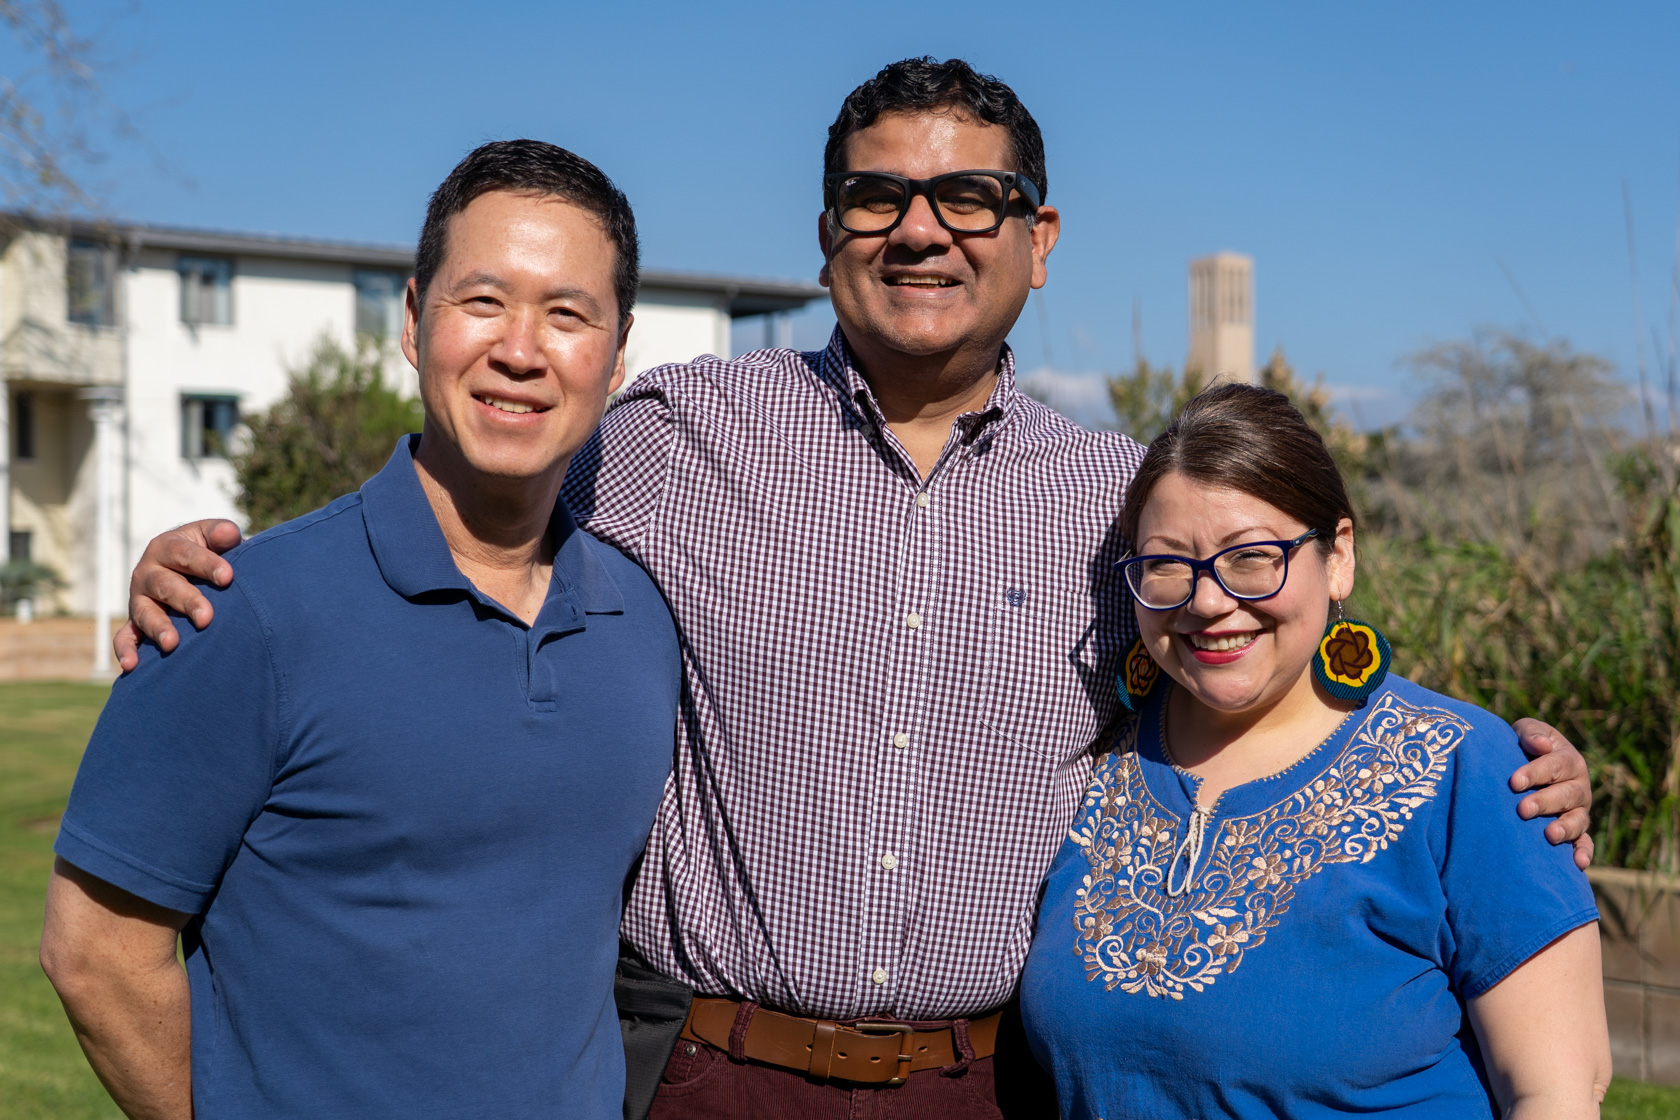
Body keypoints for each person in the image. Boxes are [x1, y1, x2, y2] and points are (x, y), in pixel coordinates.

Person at [114, 59, 1595, 1118]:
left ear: (1040, 238)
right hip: (702, 1072)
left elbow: (1252, 653)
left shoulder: (1116, 501)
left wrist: (1491, 769)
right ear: (828, 235)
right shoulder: (672, 437)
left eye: (972, 194)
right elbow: (469, 479)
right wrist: (220, 560)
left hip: (986, 1084)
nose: (923, 226)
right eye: (878, 196)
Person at [40, 141, 681, 1118]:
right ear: (414, 320)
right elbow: (96, 953)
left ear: (617, 351)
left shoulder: (642, 623)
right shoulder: (239, 610)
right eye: (483, 300)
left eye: (567, 312)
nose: (520, 347)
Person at [1020, 383, 1611, 1119]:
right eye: (1168, 564)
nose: (1208, 601)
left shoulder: (1472, 771)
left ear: (1338, 558)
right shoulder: (1097, 755)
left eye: (1253, 557)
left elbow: (1557, 1092)